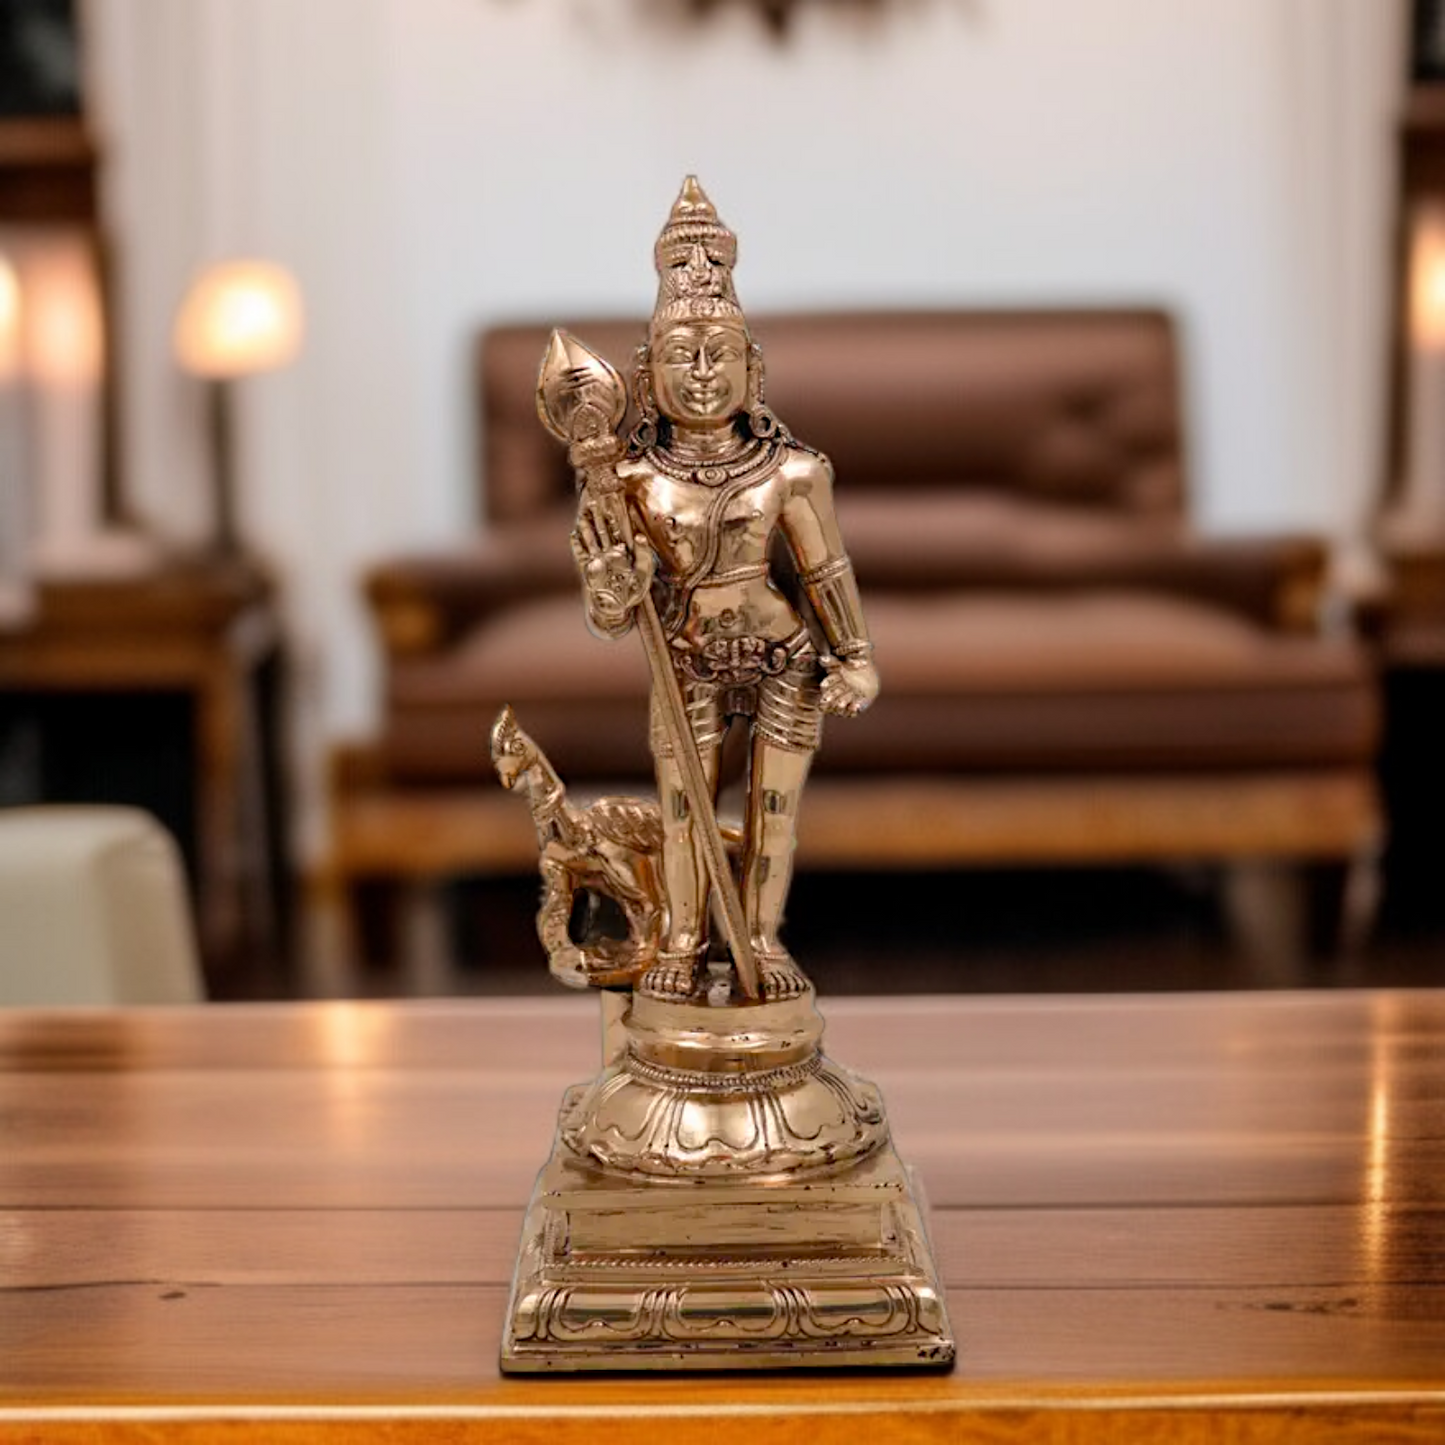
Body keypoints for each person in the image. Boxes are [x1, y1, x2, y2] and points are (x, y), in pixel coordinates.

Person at [570, 178, 878, 1003]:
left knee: (774, 808)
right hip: (685, 659)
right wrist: (614, 586)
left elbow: (825, 570)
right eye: (681, 356)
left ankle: (764, 937)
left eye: (720, 355)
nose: (703, 373)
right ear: (645, 373)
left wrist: (853, 654)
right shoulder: (628, 480)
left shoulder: (792, 472)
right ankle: (683, 938)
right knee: (683, 809)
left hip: (783, 655)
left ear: (754, 369)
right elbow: (610, 613)